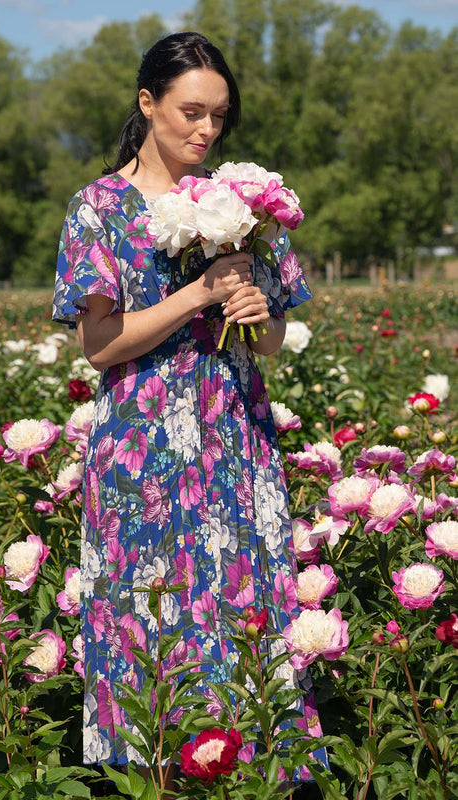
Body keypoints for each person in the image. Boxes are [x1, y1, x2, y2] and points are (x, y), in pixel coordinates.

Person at [53, 30, 323, 773]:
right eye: (191, 112)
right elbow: (99, 344)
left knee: (245, 612)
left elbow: (272, 341)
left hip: (234, 439)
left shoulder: (244, 203)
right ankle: (154, 779)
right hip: (139, 455)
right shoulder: (98, 209)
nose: (206, 130)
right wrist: (198, 294)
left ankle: (255, 774)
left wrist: (254, 310)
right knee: (148, 619)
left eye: (219, 116)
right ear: (147, 103)